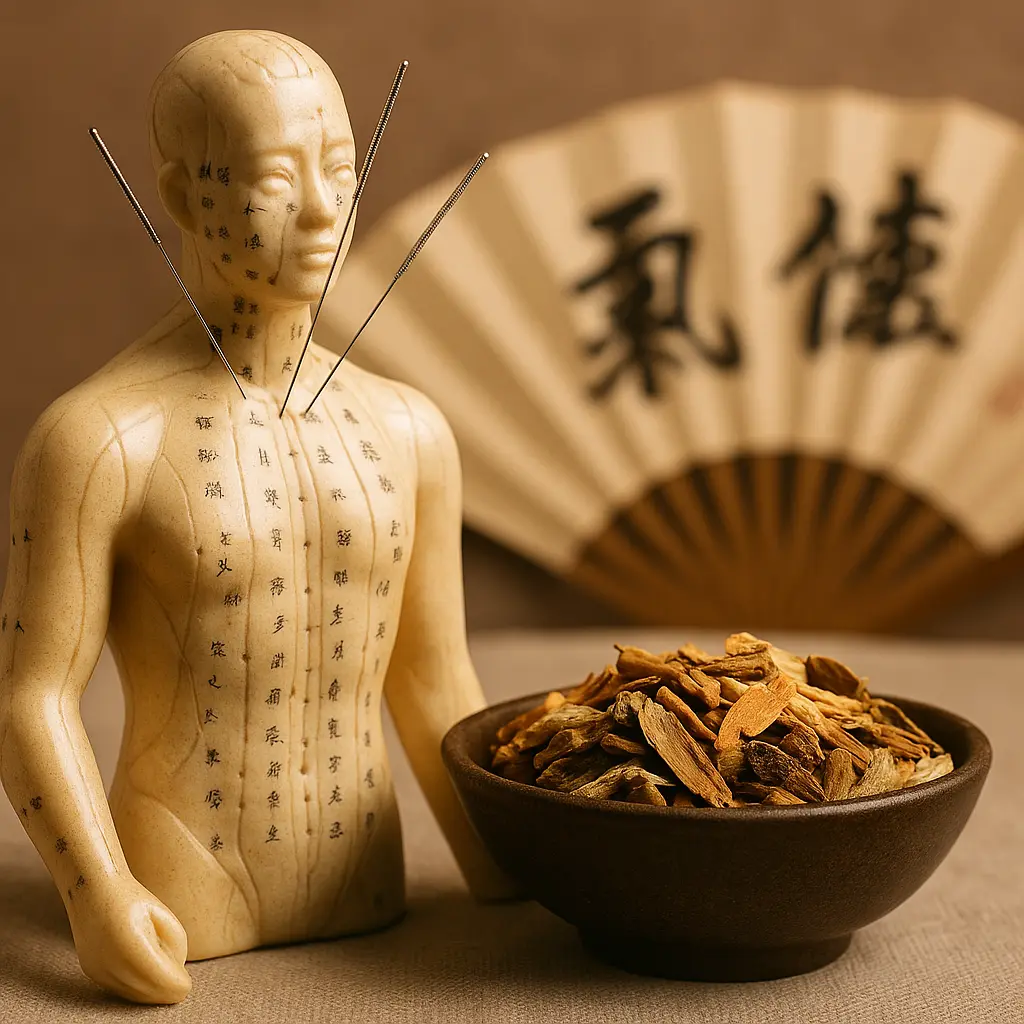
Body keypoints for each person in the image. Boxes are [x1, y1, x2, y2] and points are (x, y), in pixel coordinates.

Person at [0, 29, 514, 1005]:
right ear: (186, 195)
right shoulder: (99, 438)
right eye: (273, 177)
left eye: (338, 169)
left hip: (372, 877)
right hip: (178, 869)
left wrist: (513, 869)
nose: (322, 211)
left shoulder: (409, 429)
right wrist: (96, 889)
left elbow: (433, 675)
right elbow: (31, 695)